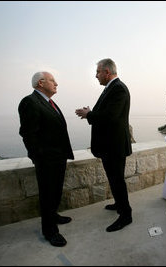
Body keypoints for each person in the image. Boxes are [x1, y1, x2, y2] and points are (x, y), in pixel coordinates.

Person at [75, 58, 133, 232]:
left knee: (117, 180)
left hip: (114, 147)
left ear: (107, 72)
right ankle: (118, 204)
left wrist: (89, 115)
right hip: (110, 146)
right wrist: (91, 113)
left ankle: (126, 215)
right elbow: (105, 112)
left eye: (98, 72)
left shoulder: (119, 89)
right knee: (114, 180)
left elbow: (111, 117)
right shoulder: (111, 88)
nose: (96, 76)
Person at [18, 71, 74, 247]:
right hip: (46, 160)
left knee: (55, 191)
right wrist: (39, 158)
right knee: (47, 194)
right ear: (41, 83)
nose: (56, 83)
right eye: (52, 81)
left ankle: (54, 216)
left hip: (58, 157)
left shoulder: (48, 102)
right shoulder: (30, 102)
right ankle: (49, 231)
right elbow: (28, 134)